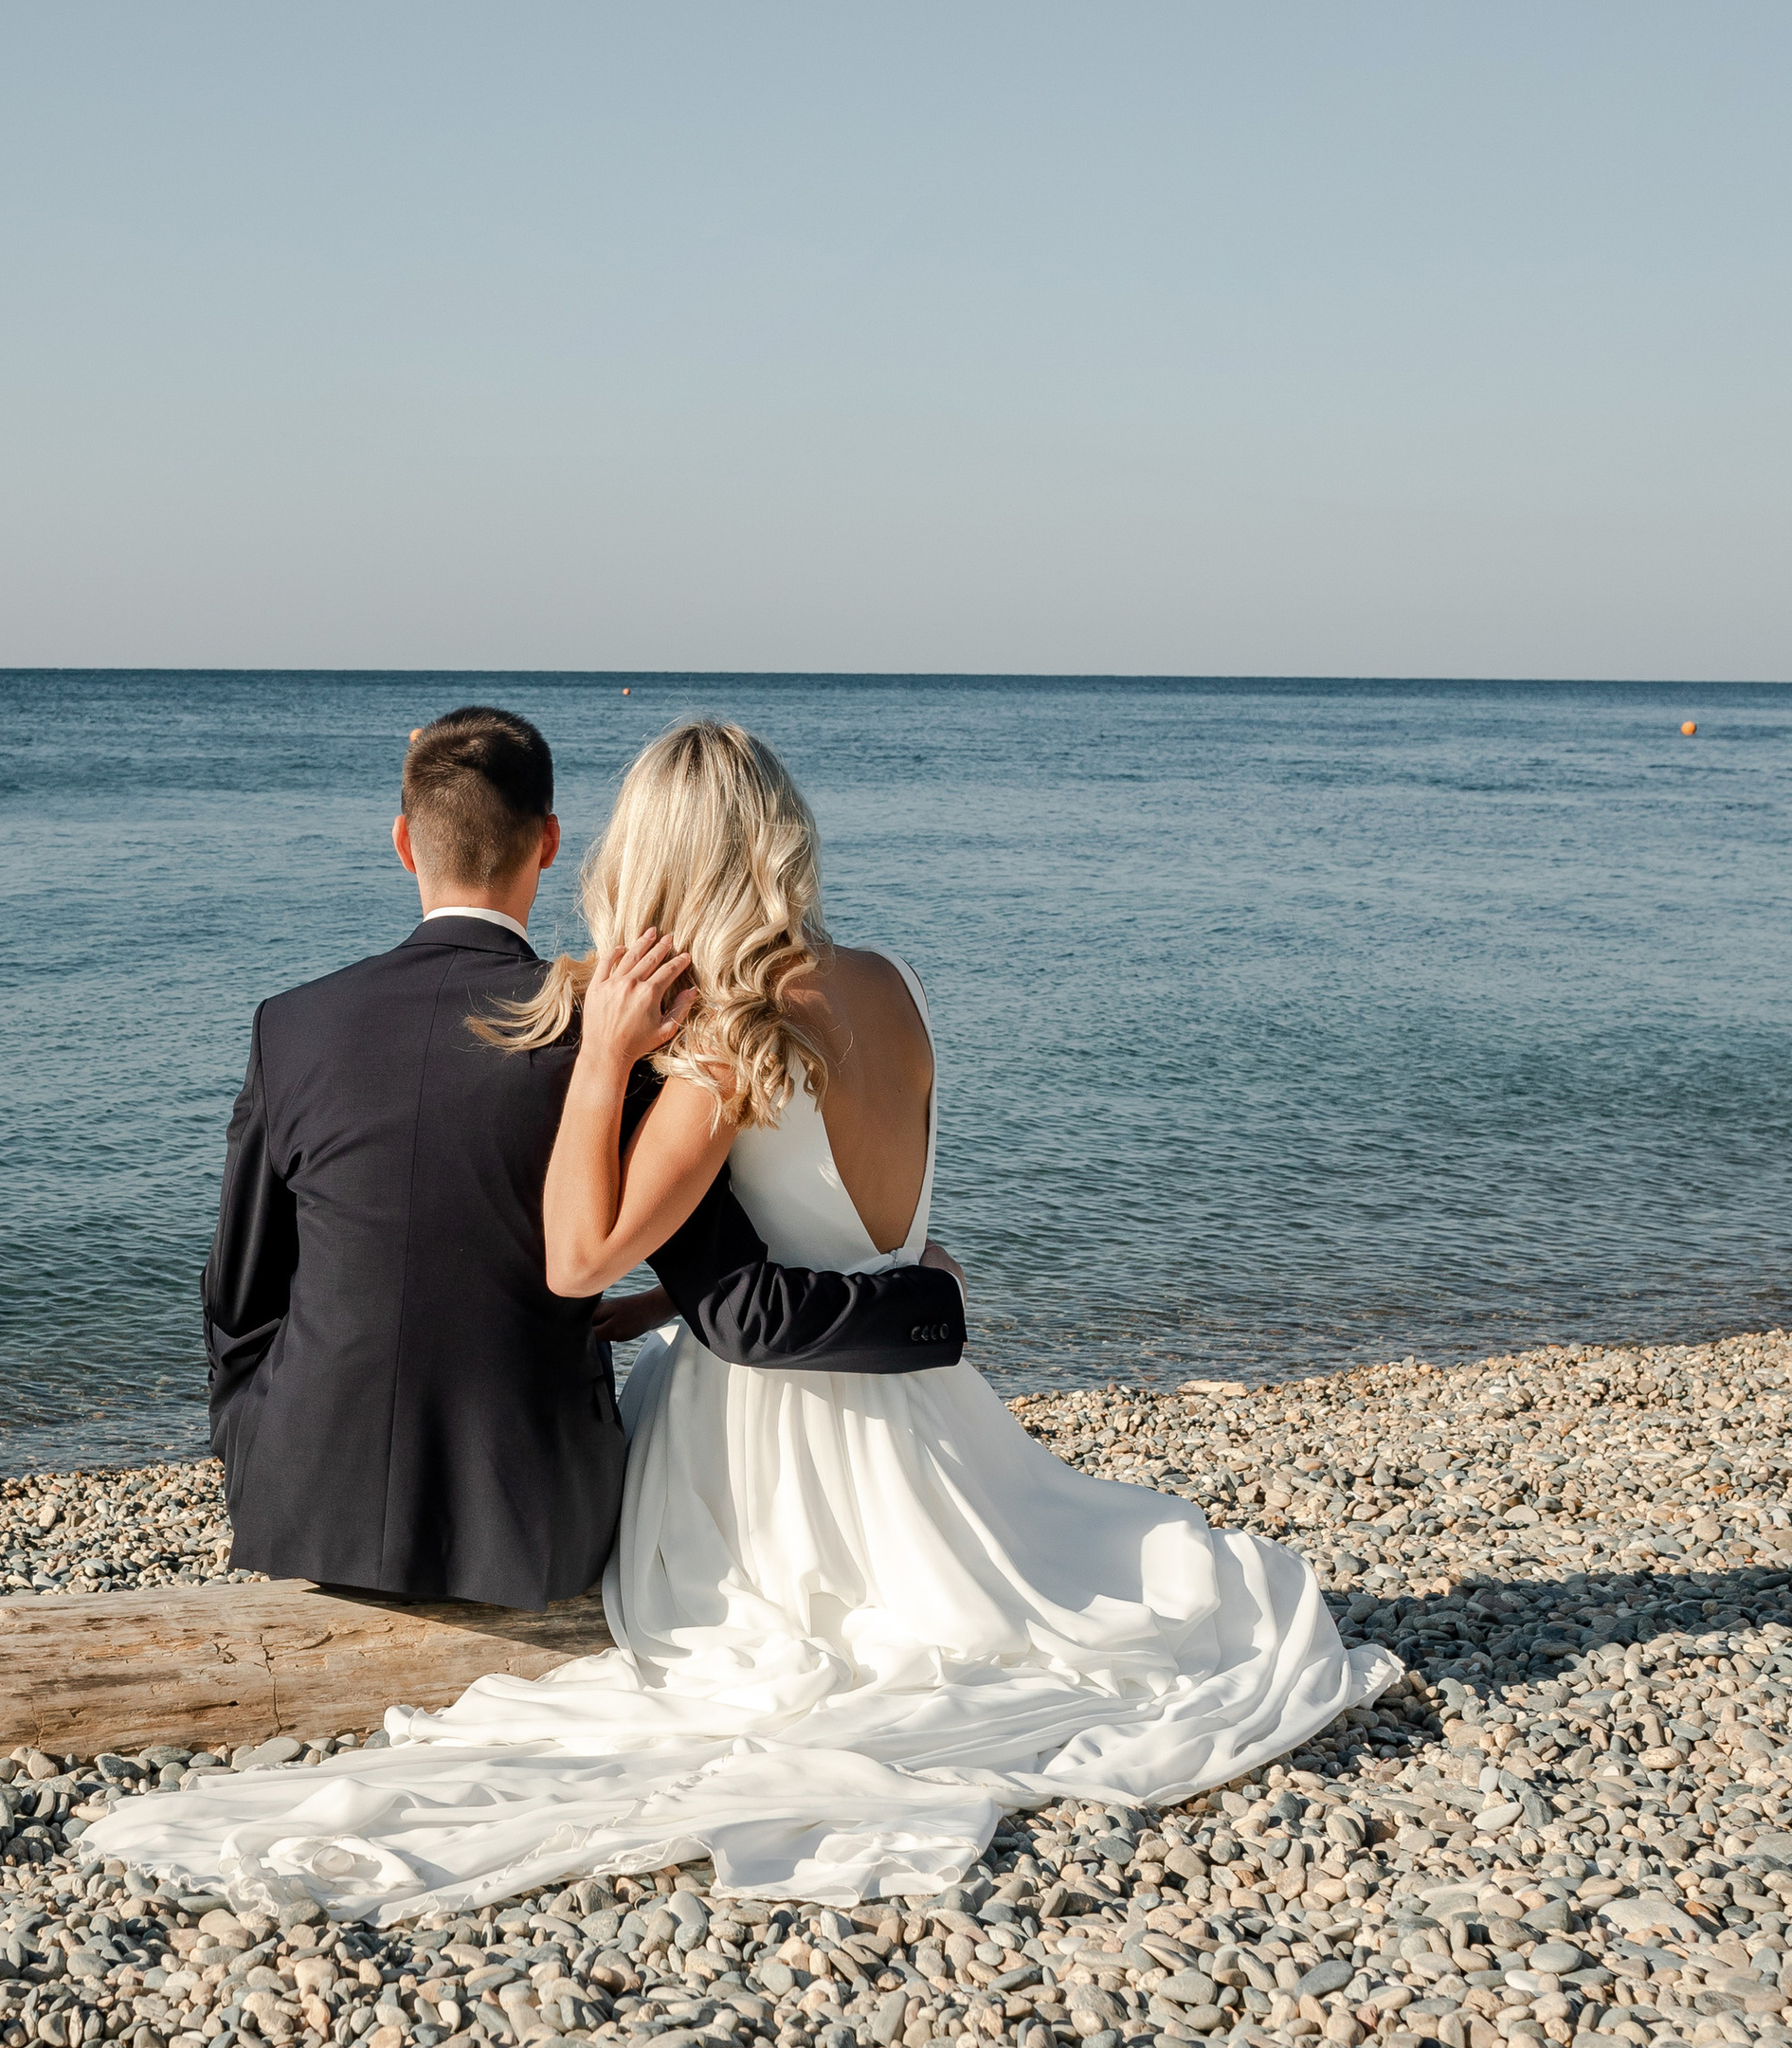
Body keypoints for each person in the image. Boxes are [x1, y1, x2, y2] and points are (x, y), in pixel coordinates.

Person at [97, 718, 1392, 1914]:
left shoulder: (724, 1044)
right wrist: (901, 1297)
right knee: (1071, 1588)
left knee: (751, 1660)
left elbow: (572, 1259)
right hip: (921, 1413)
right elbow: (830, 1224)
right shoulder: (891, 984)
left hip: (780, 1441)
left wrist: (604, 1063)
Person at [199, 706, 967, 1612]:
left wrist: (250, 1442)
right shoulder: (633, 1026)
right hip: (532, 1515)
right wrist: (934, 1298)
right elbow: (732, 1288)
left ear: (405, 844)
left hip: (300, 1496)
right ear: (551, 840)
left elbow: (238, 1295)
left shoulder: (294, 1023)